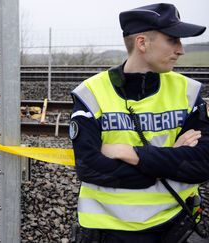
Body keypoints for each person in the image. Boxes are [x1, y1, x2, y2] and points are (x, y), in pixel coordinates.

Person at [70, 3, 209, 243]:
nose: (181, 50)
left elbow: (202, 164)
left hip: (177, 224)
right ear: (142, 43)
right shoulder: (91, 93)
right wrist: (170, 158)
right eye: (173, 40)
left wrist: (133, 155)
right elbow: (89, 167)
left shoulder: (188, 91)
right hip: (109, 230)